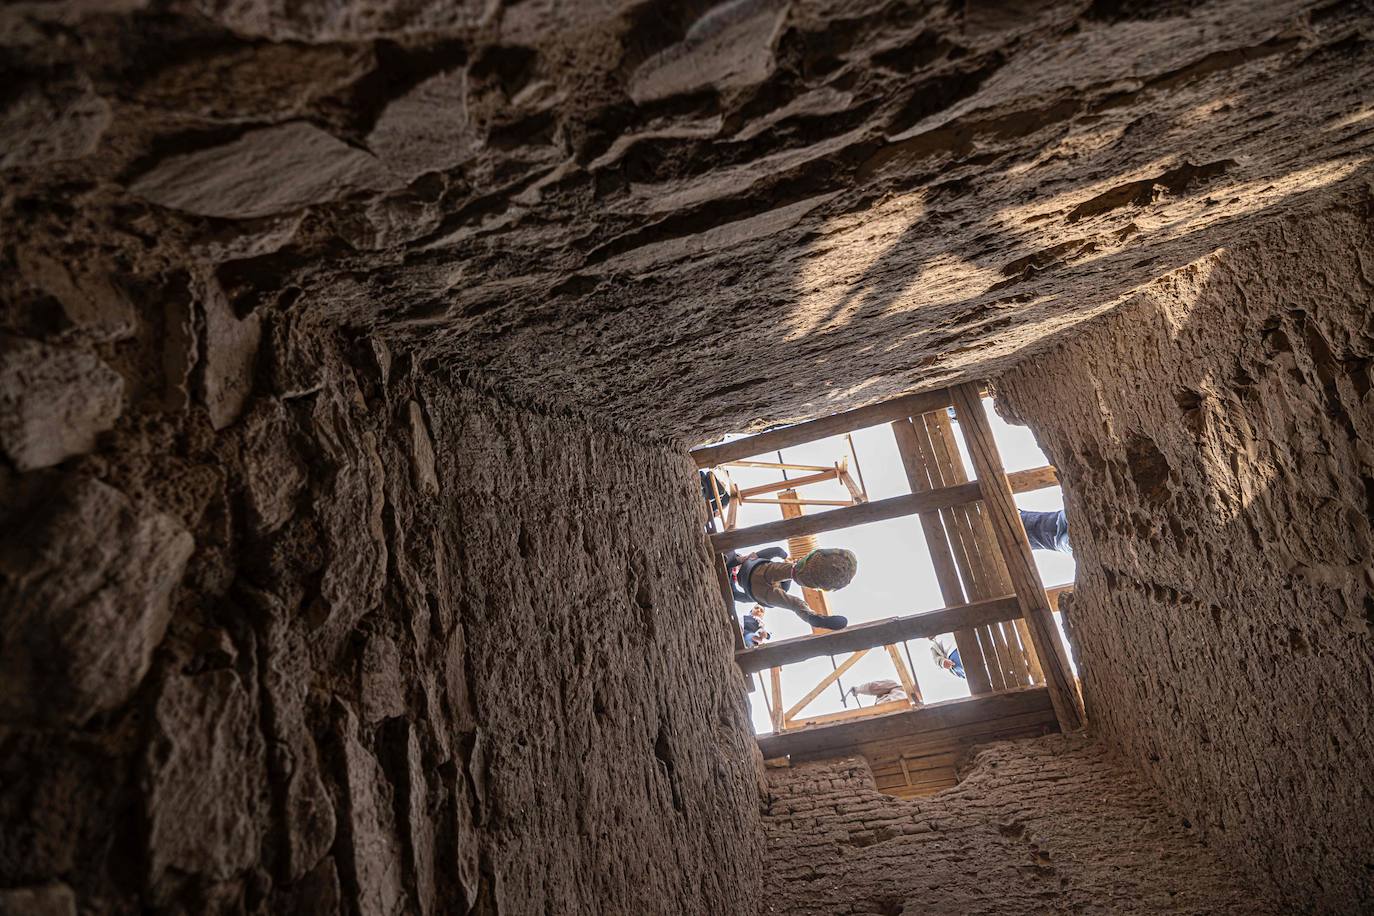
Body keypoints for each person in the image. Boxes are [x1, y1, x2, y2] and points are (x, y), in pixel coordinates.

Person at [724, 546, 856, 630]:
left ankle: (814, 617)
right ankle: (813, 618)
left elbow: (776, 551)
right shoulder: (740, 564)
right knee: (794, 603)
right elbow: (738, 596)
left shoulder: (747, 562)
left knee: (790, 581)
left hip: (757, 576)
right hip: (759, 590)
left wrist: (784, 556)